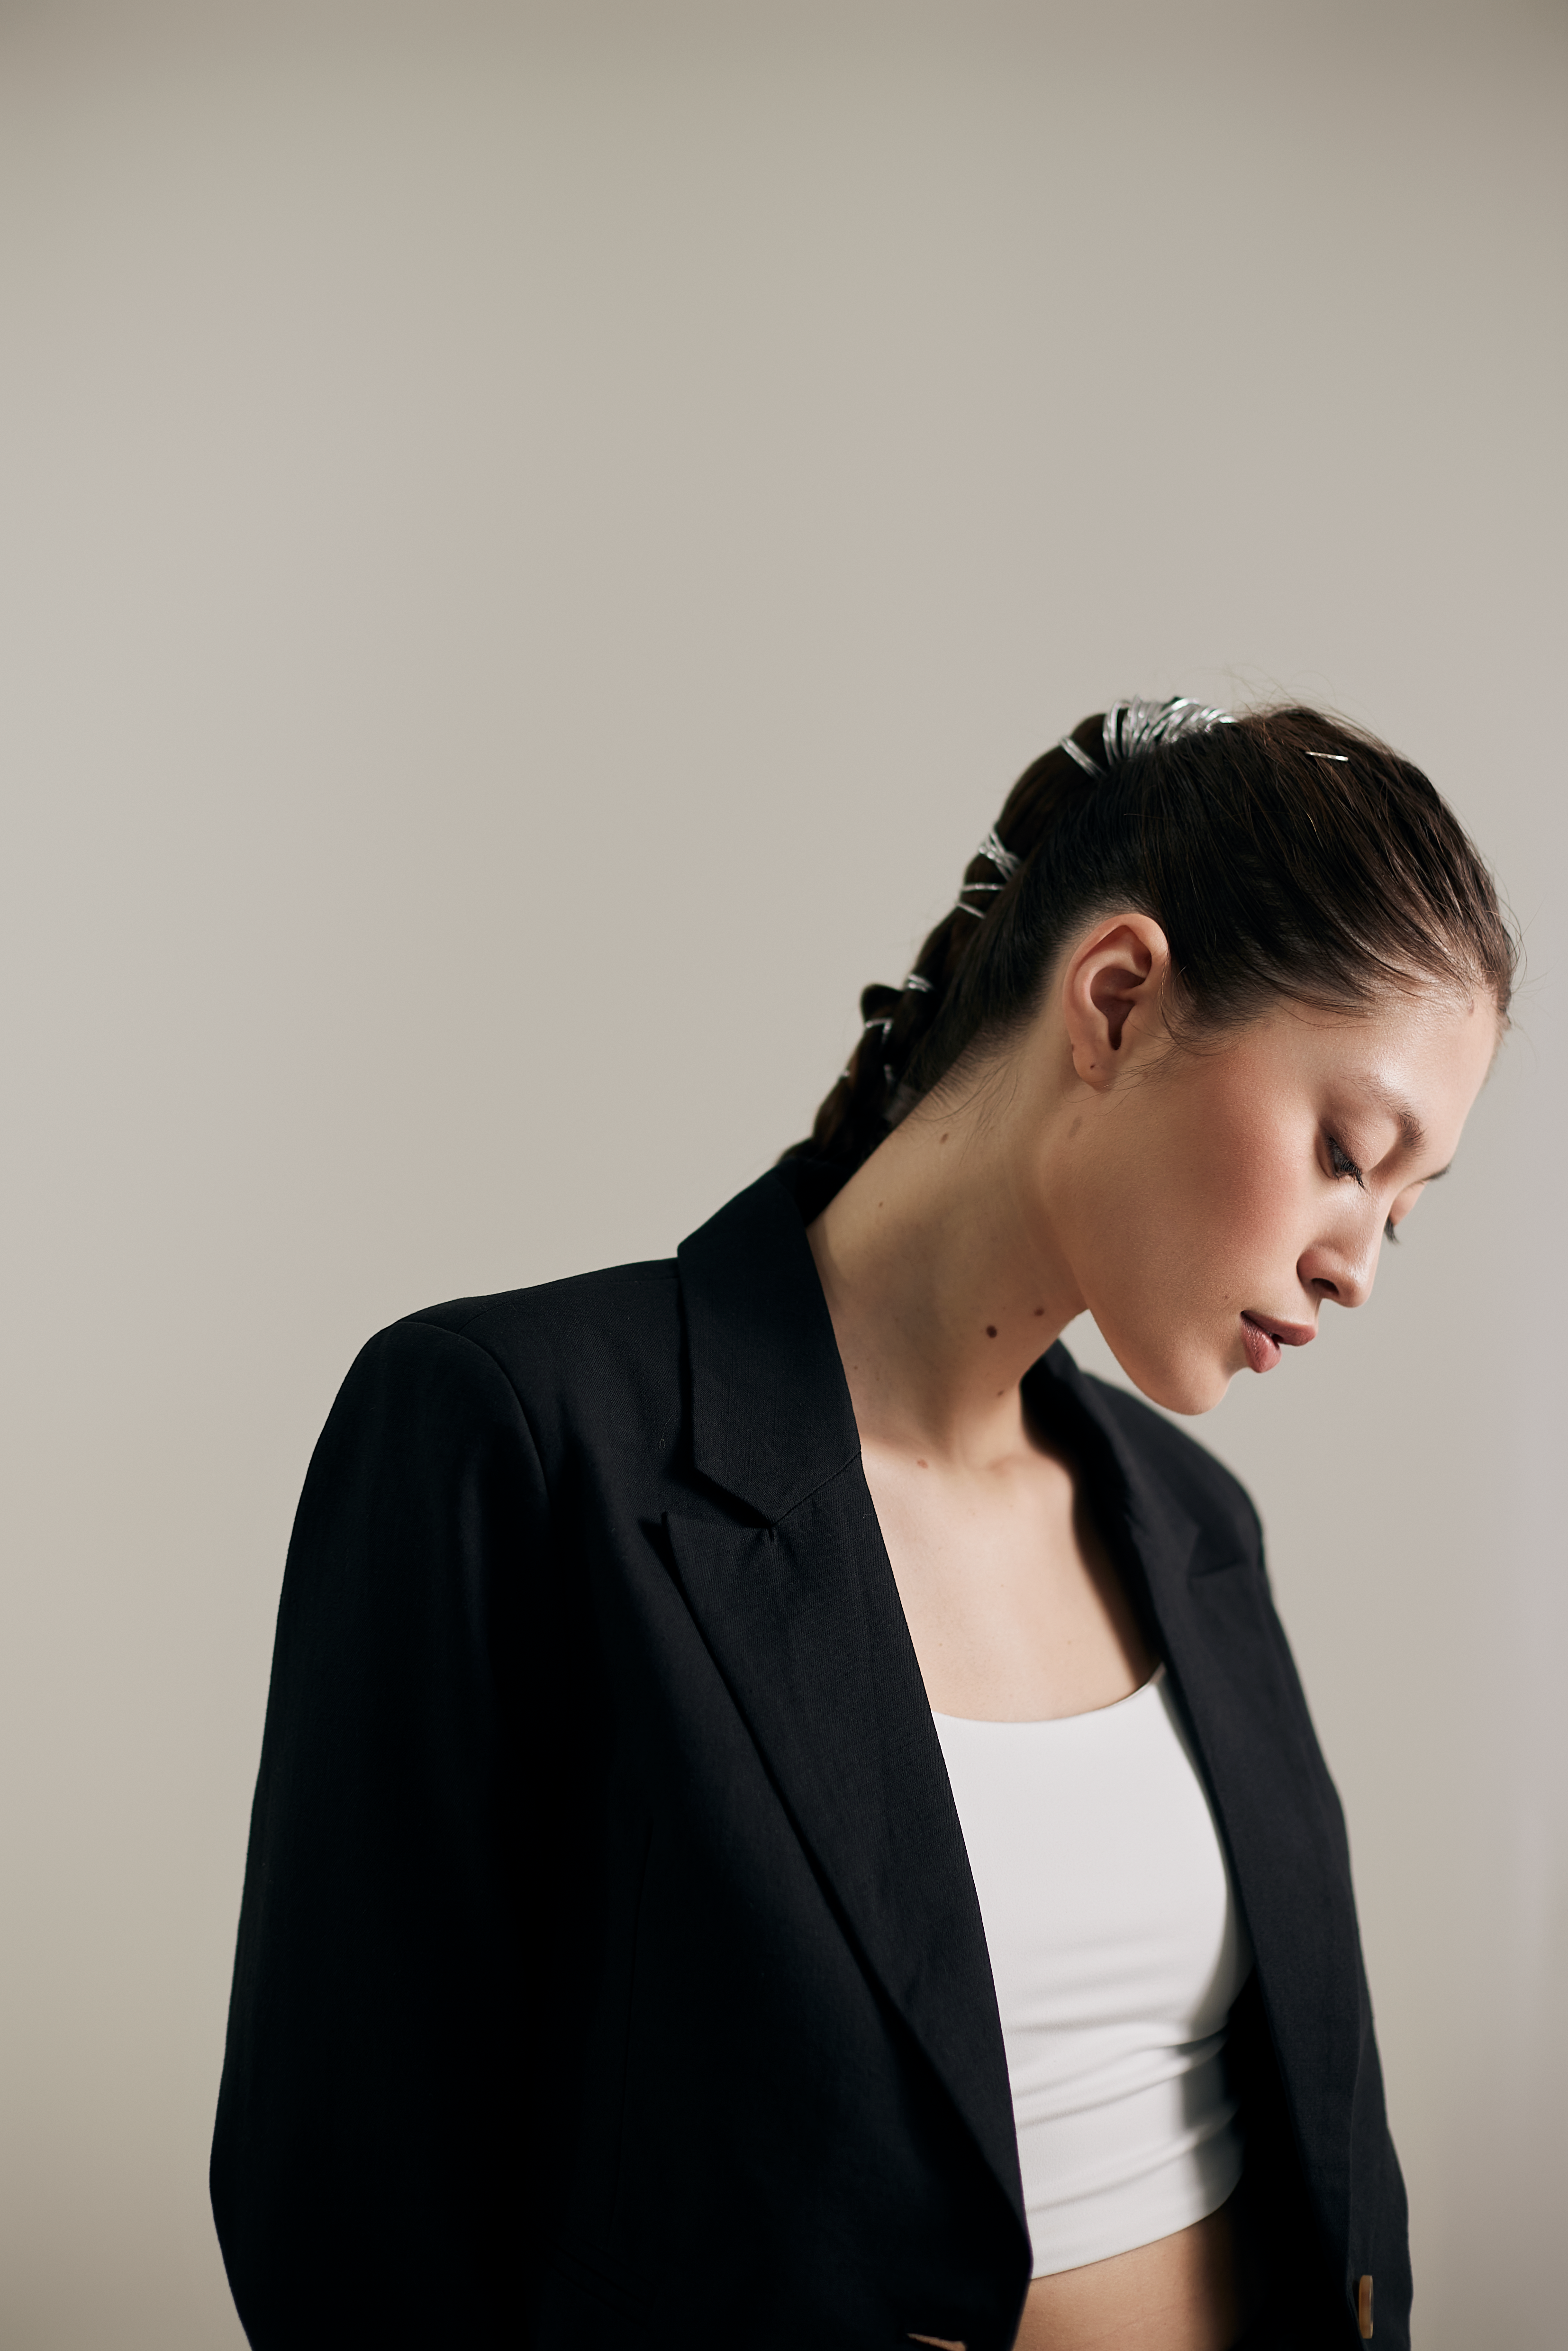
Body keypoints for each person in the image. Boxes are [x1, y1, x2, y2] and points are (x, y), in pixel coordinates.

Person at [211, 697, 1514, 2351]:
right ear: (1116, 1003)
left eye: (1403, 1208)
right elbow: (343, 2224)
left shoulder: (1192, 1522)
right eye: (1344, 1152)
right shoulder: (515, 1438)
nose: (1357, 1264)